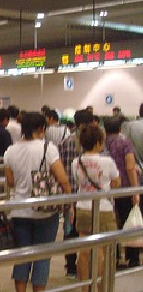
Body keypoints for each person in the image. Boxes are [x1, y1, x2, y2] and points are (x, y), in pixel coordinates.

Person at [4, 112, 71, 292]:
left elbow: (10, 181)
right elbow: (62, 178)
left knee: (22, 256)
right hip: (44, 212)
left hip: (19, 209)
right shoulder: (48, 149)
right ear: (42, 128)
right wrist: (68, 199)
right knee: (42, 256)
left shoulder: (11, 151)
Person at [72, 124, 120, 292]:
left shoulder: (76, 162)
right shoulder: (107, 162)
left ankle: (85, 290)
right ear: (99, 142)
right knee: (100, 252)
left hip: (82, 206)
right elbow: (116, 182)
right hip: (103, 208)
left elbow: (78, 181)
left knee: (84, 251)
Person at [59, 109, 94, 278]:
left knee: (70, 230)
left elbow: (62, 167)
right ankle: (89, 266)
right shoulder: (95, 141)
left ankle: (71, 265)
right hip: (89, 194)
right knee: (89, 231)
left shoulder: (66, 141)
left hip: (70, 192)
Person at [104, 117, 140, 267]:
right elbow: (130, 166)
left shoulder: (102, 142)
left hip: (107, 190)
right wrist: (135, 189)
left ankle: (115, 257)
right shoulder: (124, 143)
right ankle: (132, 258)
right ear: (120, 128)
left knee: (113, 223)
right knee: (128, 222)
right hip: (125, 188)